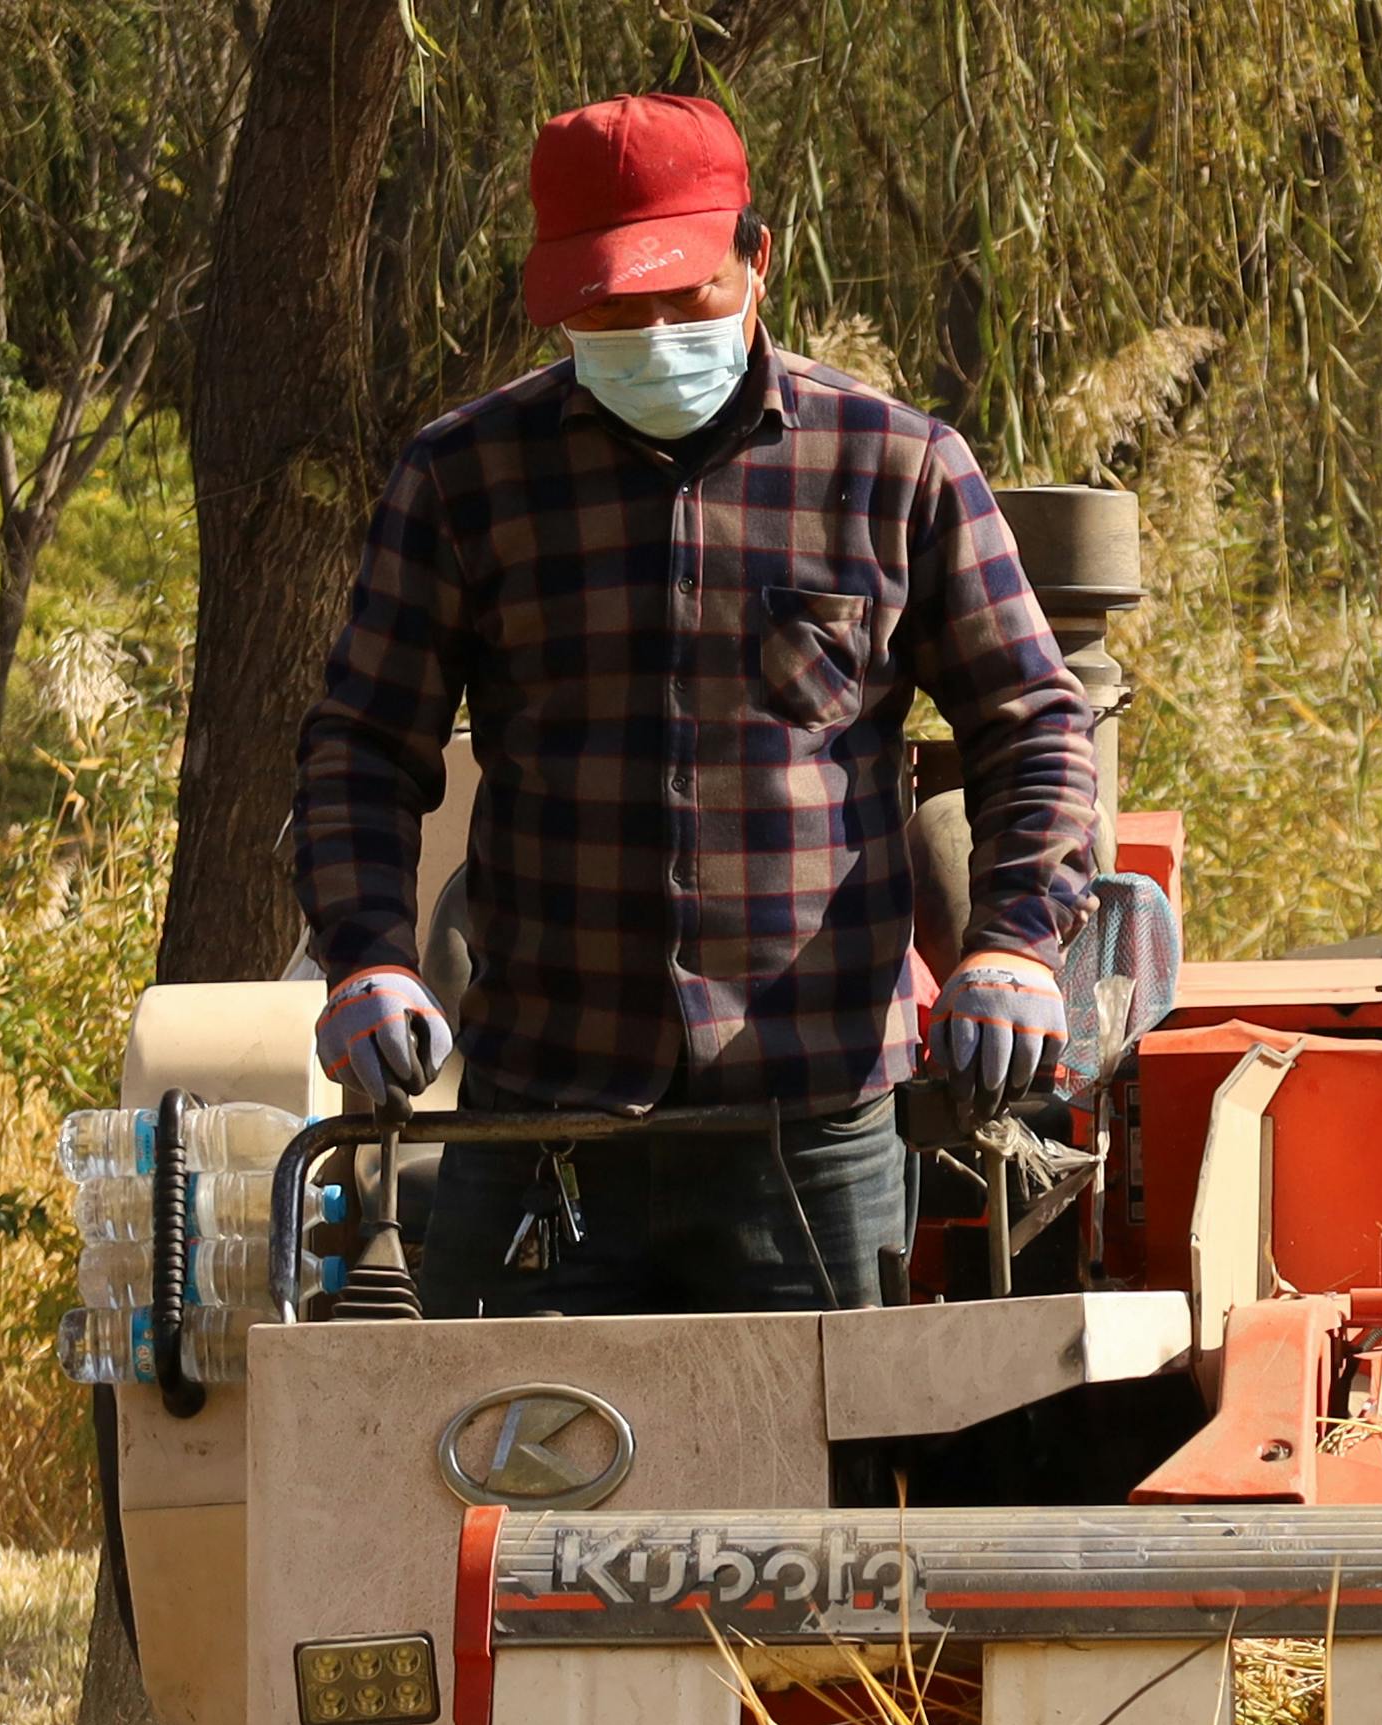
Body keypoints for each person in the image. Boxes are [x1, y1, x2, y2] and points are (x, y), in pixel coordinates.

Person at [289, 92, 1101, 1318]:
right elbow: (361, 744)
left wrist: (1013, 945)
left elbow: (1033, 722)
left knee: (820, 1499)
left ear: (757, 260)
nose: (653, 335)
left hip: (810, 1129)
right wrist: (367, 958)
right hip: (541, 1121)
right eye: (613, 312)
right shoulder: (463, 480)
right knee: (497, 1470)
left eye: (685, 299)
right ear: (557, 294)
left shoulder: (896, 468)